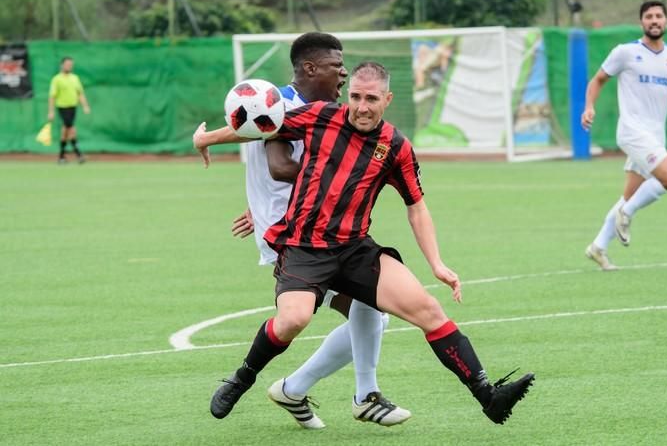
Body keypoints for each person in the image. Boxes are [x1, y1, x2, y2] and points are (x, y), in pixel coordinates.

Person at [195, 61, 535, 426]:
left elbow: (416, 208)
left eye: (371, 98)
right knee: (293, 319)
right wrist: (207, 138)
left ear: (387, 99)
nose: (361, 106)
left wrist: (436, 263)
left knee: (429, 311)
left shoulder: (396, 147)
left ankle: (489, 397)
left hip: (355, 250)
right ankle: (243, 377)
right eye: (355, 96)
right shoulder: (320, 116)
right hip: (304, 247)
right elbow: (262, 125)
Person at [194, 32, 410, 428]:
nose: (345, 72)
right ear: (310, 68)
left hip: (314, 227)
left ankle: (298, 389)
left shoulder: (322, 109)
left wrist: (208, 139)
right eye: (336, 64)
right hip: (295, 235)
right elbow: (271, 153)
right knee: (367, 313)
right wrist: (343, 177)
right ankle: (352, 393)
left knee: (372, 314)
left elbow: (253, 136)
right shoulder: (275, 101)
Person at [581, 0, 667, 270]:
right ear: (642, 22)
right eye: (649, 17)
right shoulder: (625, 52)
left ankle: (598, 247)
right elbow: (598, 80)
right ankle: (625, 215)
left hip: (655, 136)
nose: (654, 20)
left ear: (666, 22)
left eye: (659, 16)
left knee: (630, 195)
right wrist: (589, 107)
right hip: (631, 131)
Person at [48, 56, 90, 164]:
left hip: (73, 107)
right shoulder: (56, 79)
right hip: (62, 107)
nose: (69, 66)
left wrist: (85, 106)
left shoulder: (75, 78)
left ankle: (61, 156)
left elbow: (80, 93)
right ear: (62, 65)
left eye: (71, 65)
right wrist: (51, 111)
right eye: (67, 64)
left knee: (65, 131)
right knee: (71, 129)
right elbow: (52, 96)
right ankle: (78, 154)